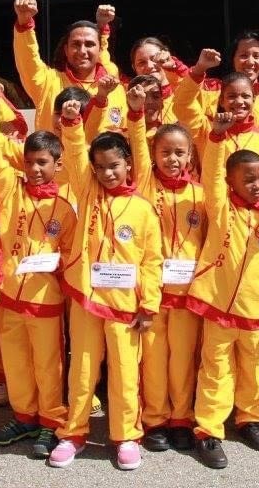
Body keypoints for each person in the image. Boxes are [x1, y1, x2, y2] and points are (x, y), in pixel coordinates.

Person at [50, 100, 162, 470]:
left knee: (125, 372)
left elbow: (152, 261)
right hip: (87, 298)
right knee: (82, 370)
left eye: (114, 165)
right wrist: (71, 123)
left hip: (126, 306)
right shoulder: (88, 191)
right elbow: (75, 154)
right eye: (100, 167)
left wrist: (149, 304)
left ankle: (126, 435)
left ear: (128, 163)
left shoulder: (144, 209)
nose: (107, 173)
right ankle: (73, 433)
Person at [0, 106, 77, 459]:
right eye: (30, 162)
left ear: (57, 165)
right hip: (9, 297)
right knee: (16, 362)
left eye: (42, 163)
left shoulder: (65, 206)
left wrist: (57, 263)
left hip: (45, 299)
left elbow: (71, 251)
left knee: (48, 364)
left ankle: (51, 419)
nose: (35, 169)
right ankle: (25, 416)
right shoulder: (11, 191)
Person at [186, 127, 259, 470]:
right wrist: (215, 140)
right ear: (231, 183)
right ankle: (209, 429)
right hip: (218, 308)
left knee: (252, 370)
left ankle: (250, 419)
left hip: (256, 313)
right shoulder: (221, 210)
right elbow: (212, 178)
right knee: (215, 369)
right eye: (248, 179)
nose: (257, 185)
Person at [125, 84, 206, 454]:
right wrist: (136, 113)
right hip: (153, 294)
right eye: (165, 152)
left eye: (179, 153)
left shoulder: (200, 194)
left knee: (183, 361)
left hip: (186, 294)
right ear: (154, 155)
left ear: (190, 156)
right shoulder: (145, 184)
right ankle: (155, 419)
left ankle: (181, 418)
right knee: (154, 362)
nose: (172, 159)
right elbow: (138, 146)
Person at [14, 0, 127, 134]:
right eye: (76, 44)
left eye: (89, 44)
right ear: (66, 50)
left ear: (100, 50)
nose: (82, 51)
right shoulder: (48, 82)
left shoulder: (115, 90)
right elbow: (27, 59)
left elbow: (126, 134)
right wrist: (25, 23)